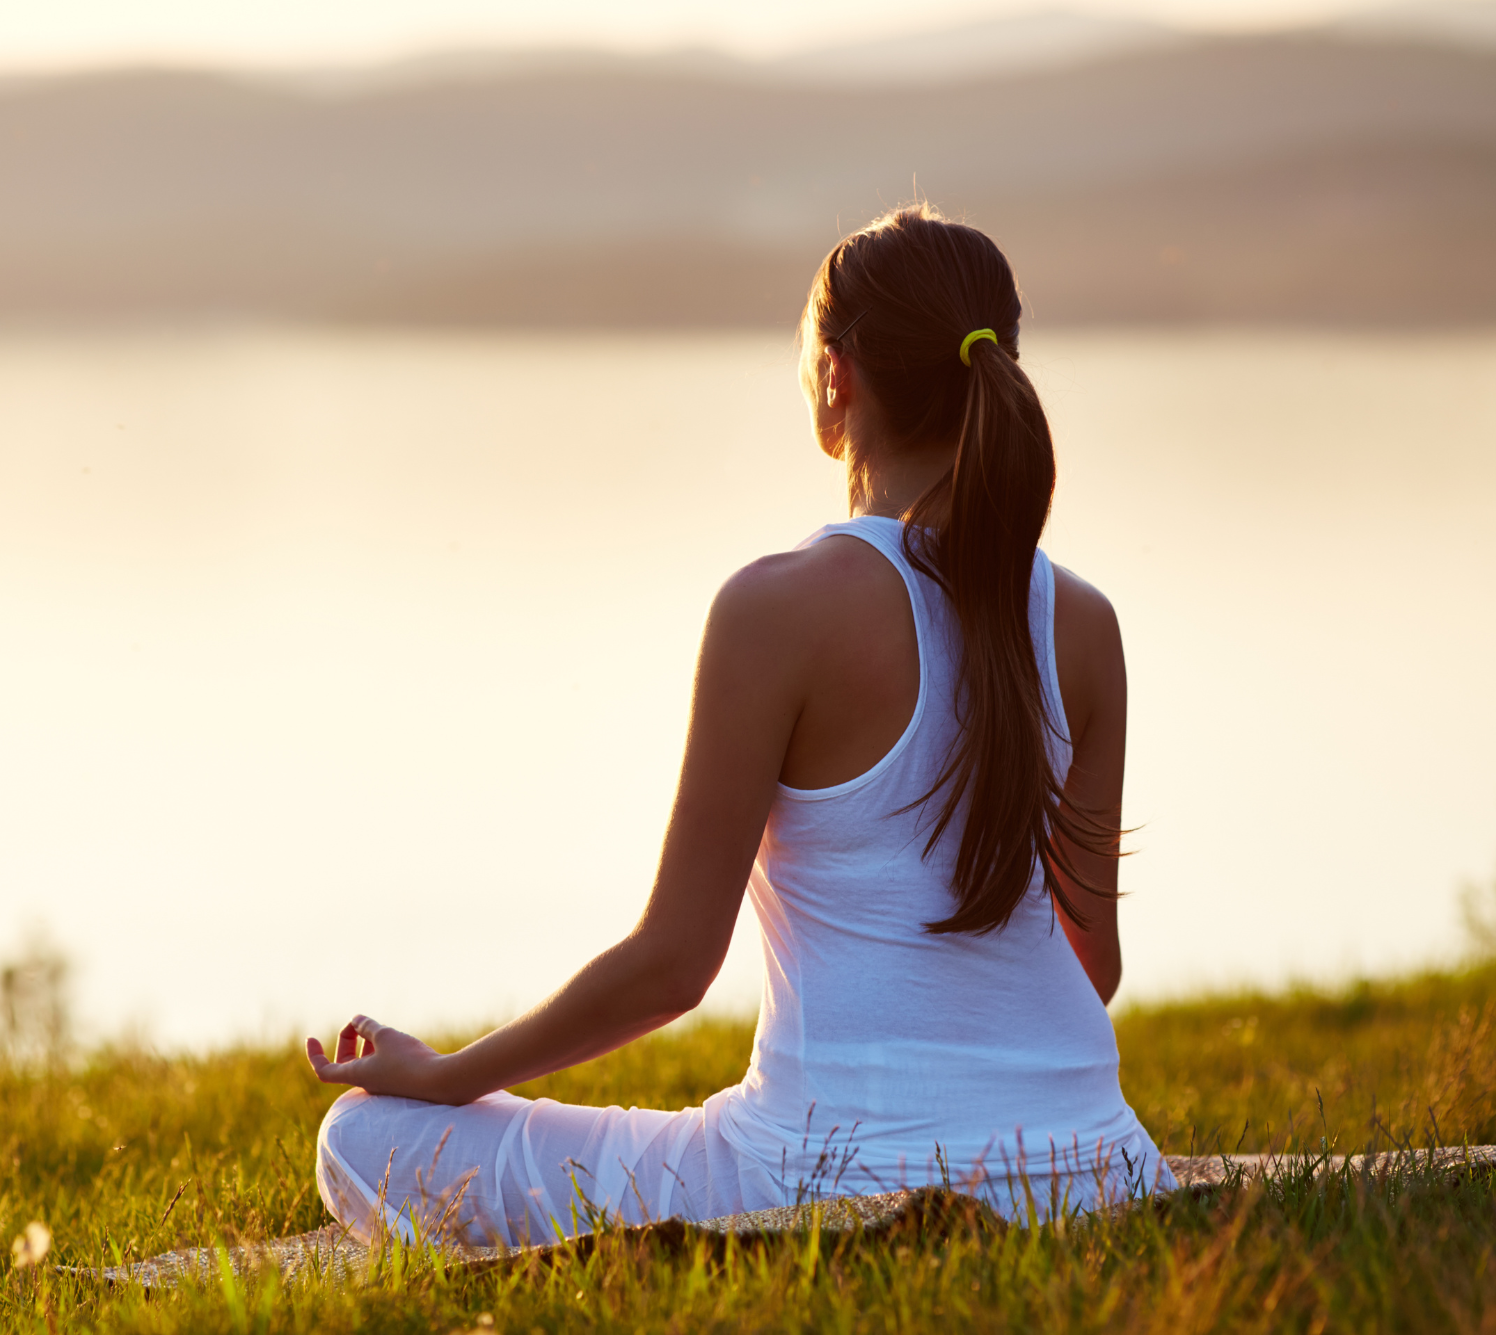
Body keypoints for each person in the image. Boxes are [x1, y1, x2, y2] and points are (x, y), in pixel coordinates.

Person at [305, 204, 1175, 1247]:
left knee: (360, 1138)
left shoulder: (776, 609)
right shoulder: (1080, 621)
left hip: (821, 1176)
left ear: (835, 379)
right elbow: (1094, 969)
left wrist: (446, 1075)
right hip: (1101, 1164)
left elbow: (673, 968)